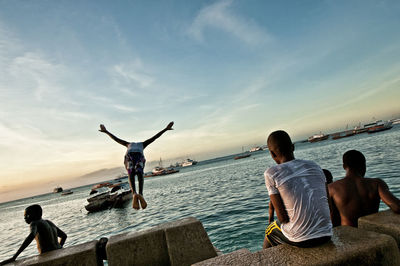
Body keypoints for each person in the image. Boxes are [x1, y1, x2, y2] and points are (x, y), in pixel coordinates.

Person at [263, 130, 332, 249]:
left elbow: (283, 219)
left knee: (269, 230)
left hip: (302, 240)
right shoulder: (315, 166)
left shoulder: (271, 173)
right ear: (293, 147)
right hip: (327, 234)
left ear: (272, 154)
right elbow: (328, 204)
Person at [99, 121, 174, 210]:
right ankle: (139, 193)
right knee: (139, 173)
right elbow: (155, 137)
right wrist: (165, 129)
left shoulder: (128, 144)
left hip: (130, 157)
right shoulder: (141, 144)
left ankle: (135, 193)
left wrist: (106, 131)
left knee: (131, 174)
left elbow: (116, 139)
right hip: (137, 157)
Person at [328, 150, 400, 227]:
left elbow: (332, 220)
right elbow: (397, 206)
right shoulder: (377, 183)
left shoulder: (332, 188)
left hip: (350, 234)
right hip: (373, 231)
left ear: (344, 166)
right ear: (363, 165)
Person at [0, 204, 67, 265]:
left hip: (49, 256)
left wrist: (15, 256)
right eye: (24, 216)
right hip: (59, 252)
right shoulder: (48, 222)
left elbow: (31, 236)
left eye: (27, 215)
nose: (25, 218)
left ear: (34, 214)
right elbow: (64, 236)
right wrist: (58, 248)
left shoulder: (34, 223)